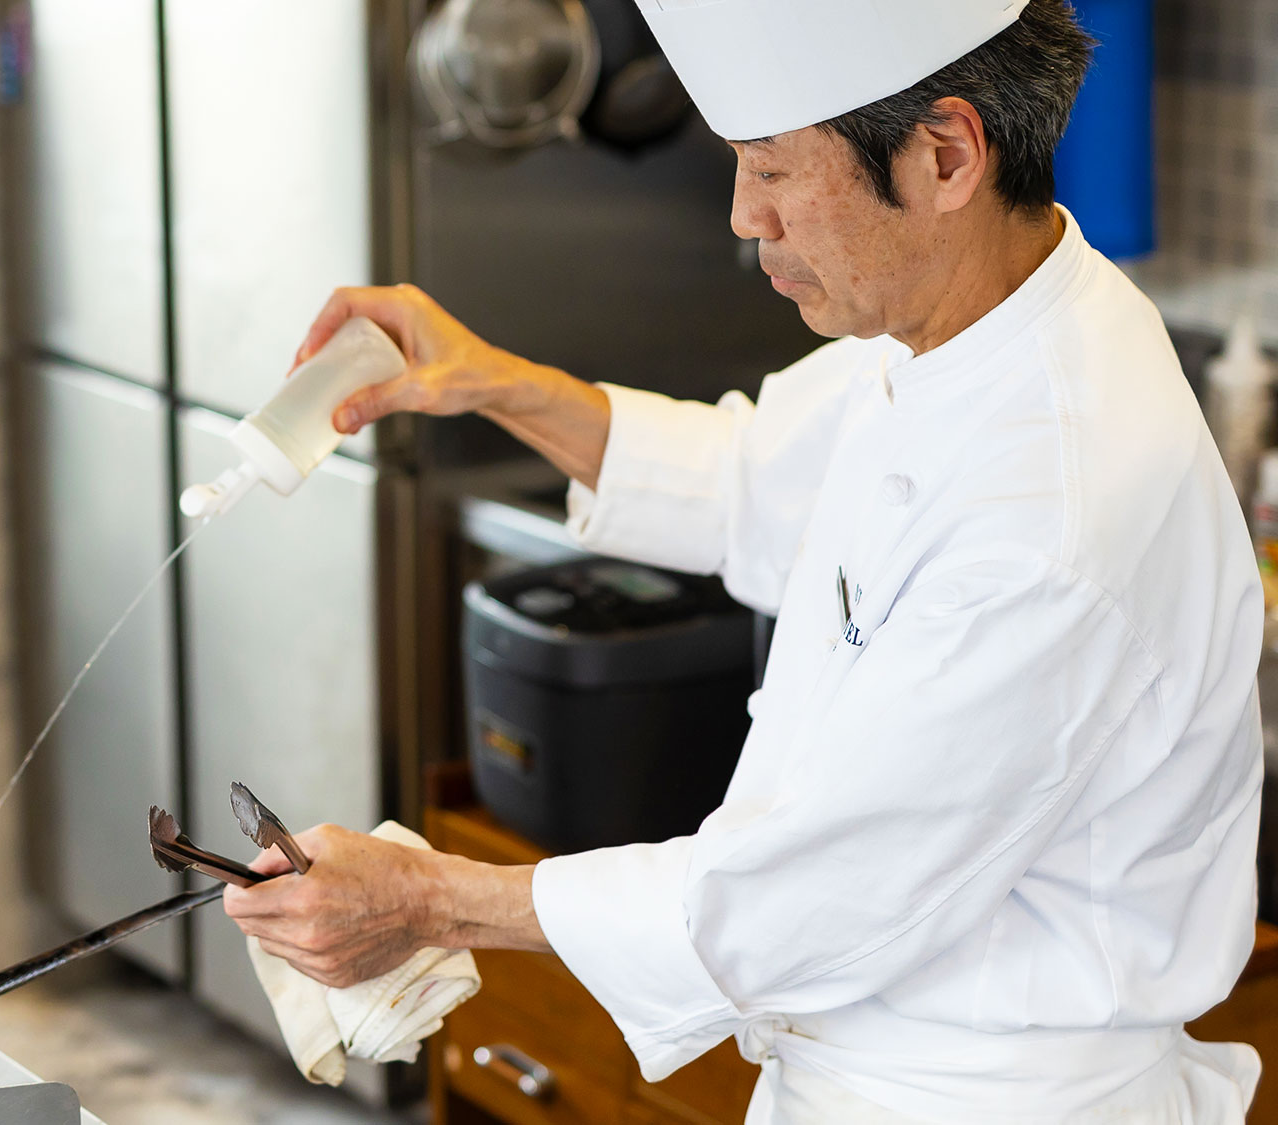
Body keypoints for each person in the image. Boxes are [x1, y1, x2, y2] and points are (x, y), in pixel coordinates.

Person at [223, 1, 1267, 1120]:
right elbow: (745, 477)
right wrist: (482, 379)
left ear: (945, 155)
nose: (741, 217)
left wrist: (427, 898)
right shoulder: (972, 322)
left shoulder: (1054, 507)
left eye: (768, 168)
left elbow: (813, 899)